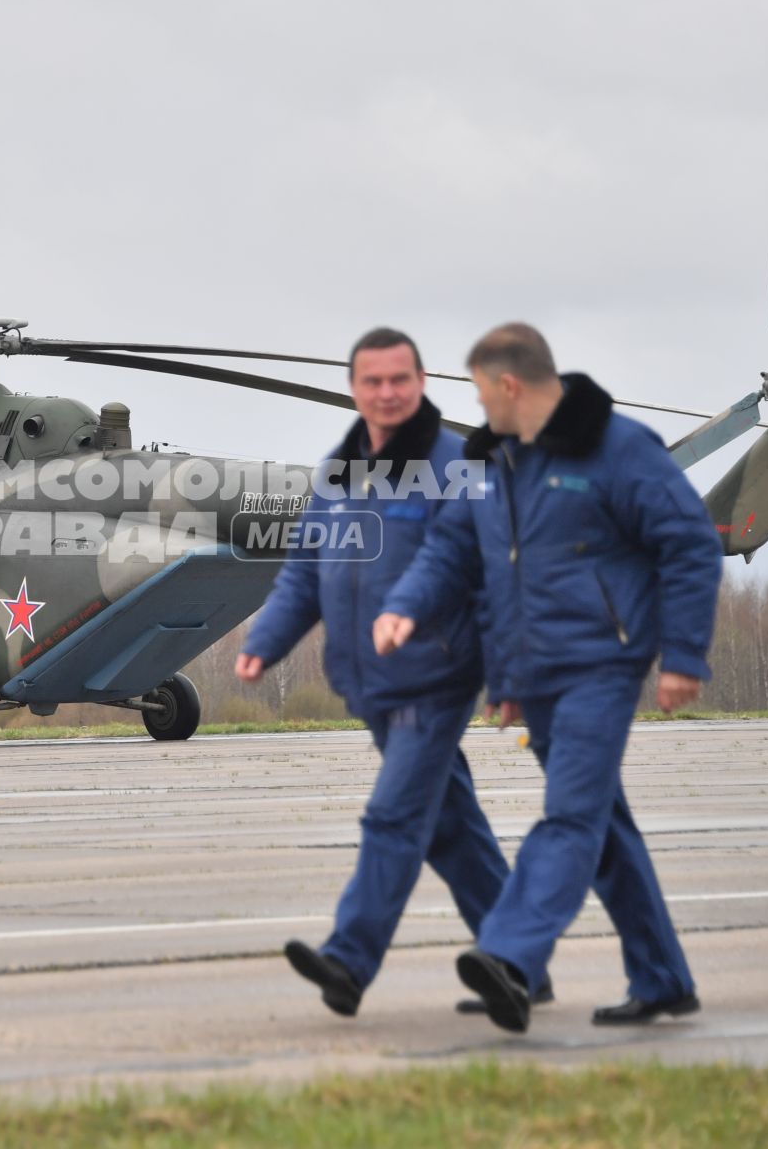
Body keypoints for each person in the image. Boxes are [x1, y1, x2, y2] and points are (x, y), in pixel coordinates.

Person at [373, 322, 722, 1033]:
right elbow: (456, 554)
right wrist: (409, 610)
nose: (476, 406)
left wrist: (684, 656)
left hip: (601, 664)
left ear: (508, 384)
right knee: (603, 826)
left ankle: (510, 955)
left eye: (477, 390)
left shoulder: (619, 449)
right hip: (537, 676)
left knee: (570, 818)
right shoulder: (499, 462)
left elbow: (688, 544)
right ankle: (663, 978)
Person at [237, 327, 527, 1018]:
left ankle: (349, 959)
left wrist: (511, 678)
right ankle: (520, 958)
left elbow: (494, 578)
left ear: (422, 382)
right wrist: (266, 640)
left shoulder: (460, 465)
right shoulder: (340, 469)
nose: (388, 393)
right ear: (355, 389)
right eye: (374, 381)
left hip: (437, 672)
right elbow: (309, 569)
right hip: (366, 680)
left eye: (400, 379)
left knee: (394, 817)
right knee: (450, 826)